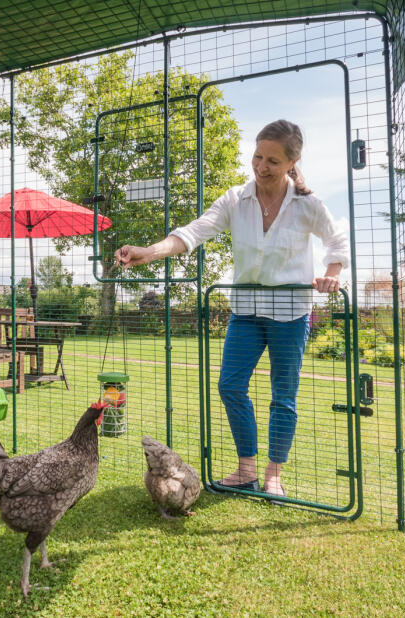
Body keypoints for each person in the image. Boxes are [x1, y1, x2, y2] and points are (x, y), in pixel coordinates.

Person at [115, 119, 349, 500]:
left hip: (290, 313)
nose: (261, 166)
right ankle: (246, 470)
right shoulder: (235, 199)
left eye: (272, 160)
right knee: (230, 386)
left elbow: (337, 240)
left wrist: (331, 274)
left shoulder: (307, 204)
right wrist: (149, 252)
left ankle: (273, 474)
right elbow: (193, 231)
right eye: (257, 156)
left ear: (293, 161)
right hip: (246, 310)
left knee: (283, 395)